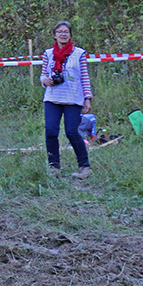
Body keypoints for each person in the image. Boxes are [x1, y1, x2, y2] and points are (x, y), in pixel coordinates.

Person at [40, 21, 93, 179]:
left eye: (66, 32)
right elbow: (43, 74)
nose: (63, 34)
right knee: (51, 132)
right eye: (60, 32)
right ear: (54, 35)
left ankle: (84, 167)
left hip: (73, 98)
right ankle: (54, 167)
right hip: (52, 98)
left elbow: (84, 77)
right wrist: (45, 81)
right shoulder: (48, 54)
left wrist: (87, 98)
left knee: (72, 132)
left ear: (70, 35)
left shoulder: (79, 53)